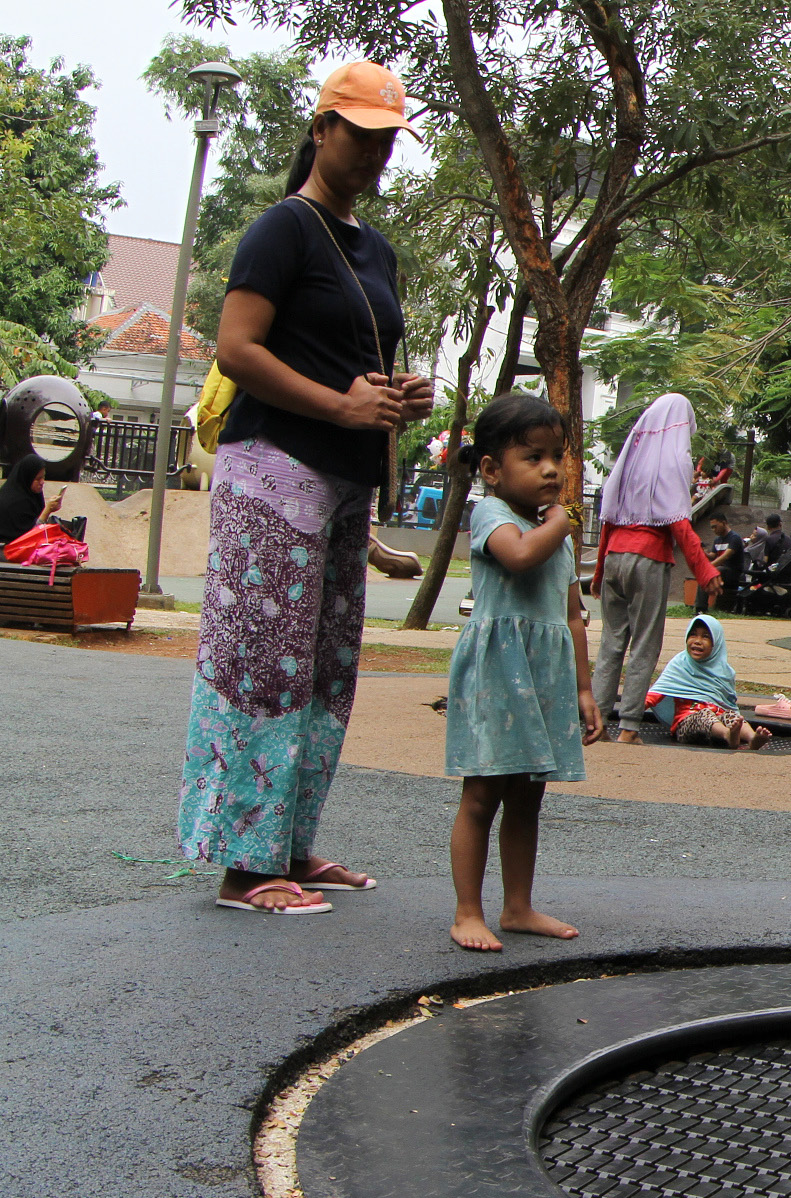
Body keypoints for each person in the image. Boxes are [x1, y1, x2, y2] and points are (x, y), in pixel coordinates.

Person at [180, 60, 436, 916]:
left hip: (343, 481)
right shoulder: (282, 228)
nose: (372, 153)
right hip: (273, 471)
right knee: (261, 662)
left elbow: (356, 364)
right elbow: (237, 348)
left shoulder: (377, 248)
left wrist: (396, 398)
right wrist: (339, 404)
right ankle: (241, 865)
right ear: (322, 129)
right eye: (359, 135)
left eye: (385, 141)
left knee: (326, 669)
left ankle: (287, 843)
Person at [443, 392, 603, 951]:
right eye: (533, 457)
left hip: (544, 677)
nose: (551, 469)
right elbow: (517, 555)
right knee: (482, 793)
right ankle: (467, 912)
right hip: (498, 673)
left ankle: (517, 907)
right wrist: (562, 523)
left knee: (528, 796)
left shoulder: (553, 532)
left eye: (557, 456)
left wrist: (585, 688)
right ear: (491, 469)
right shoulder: (493, 515)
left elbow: (572, 615)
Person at [591, 394, 721, 745]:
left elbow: (607, 520)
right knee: (644, 644)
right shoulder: (671, 464)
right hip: (648, 559)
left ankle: (597, 722)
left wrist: (600, 571)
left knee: (611, 643)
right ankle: (629, 727)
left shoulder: (629, 462)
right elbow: (680, 525)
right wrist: (705, 571)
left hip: (615, 556)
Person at [646, 613, 771, 750]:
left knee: (732, 716)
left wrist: (732, 719)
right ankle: (727, 734)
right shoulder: (679, 664)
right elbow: (656, 694)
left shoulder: (724, 671)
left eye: (705, 637)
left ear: (715, 644)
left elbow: (729, 704)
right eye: (693, 635)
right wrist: (633, 712)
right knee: (704, 714)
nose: (697, 641)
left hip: (717, 721)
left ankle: (752, 738)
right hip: (686, 724)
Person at [0, 454, 54, 543]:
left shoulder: (30, 494)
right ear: (27, 478)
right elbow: (30, 536)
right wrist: (47, 511)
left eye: (43, 477)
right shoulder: (15, 503)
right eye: (38, 479)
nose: (42, 482)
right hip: (9, 547)